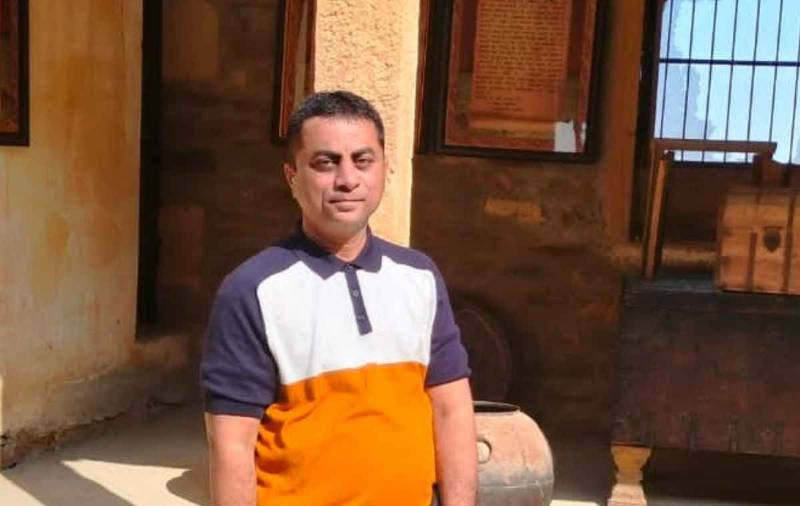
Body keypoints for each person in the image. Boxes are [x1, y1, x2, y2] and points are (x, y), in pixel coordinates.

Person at [200, 90, 477, 506]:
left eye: (363, 160)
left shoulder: (419, 277)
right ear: (292, 177)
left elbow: (451, 411)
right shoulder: (252, 290)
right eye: (325, 163)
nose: (347, 179)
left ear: (385, 169)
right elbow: (231, 443)